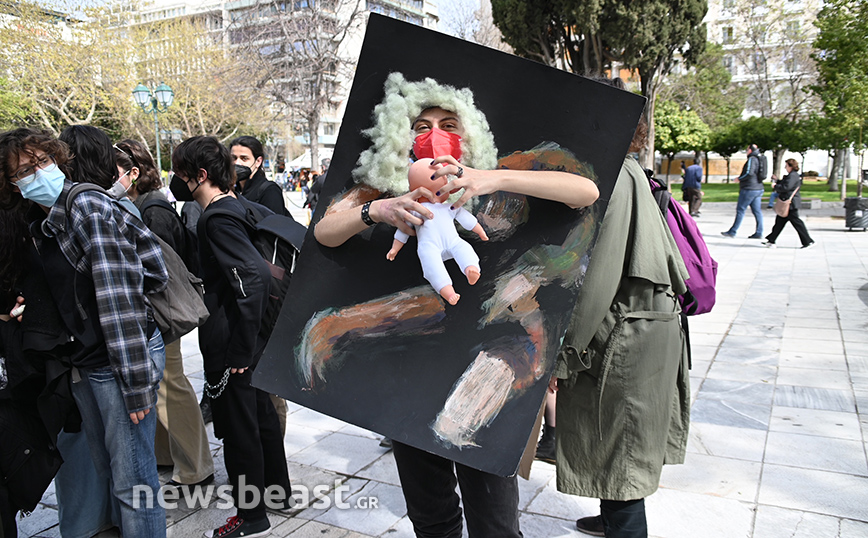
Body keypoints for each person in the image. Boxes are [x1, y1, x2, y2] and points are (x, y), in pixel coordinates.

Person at [314, 73, 599, 538]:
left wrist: (493, 178)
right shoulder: (388, 183)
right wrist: (378, 211)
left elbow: (585, 191)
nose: (434, 134)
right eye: (421, 125)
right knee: (431, 516)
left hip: (503, 336)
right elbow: (326, 230)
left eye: (448, 122)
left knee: (487, 507)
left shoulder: (500, 170)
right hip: (415, 352)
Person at [0, 127, 168, 537]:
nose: (37, 173)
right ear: (12, 184)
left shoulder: (85, 206)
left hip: (118, 361)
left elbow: (119, 299)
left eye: (42, 161)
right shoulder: (45, 221)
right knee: (112, 473)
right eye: (24, 170)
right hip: (89, 363)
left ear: (58, 158)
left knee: (134, 484)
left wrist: (135, 382)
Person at [554, 85, 690, 538]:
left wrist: (565, 354)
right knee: (617, 440)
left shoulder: (613, 178)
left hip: (628, 335)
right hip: (646, 327)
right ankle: (614, 515)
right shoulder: (632, 170)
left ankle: (624, 524)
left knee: (623, 448)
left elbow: (599, 279)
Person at [170, 136, 291, 538]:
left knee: (241, 431)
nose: (177, 180)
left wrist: (239, 349)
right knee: (260, 419)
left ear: (199, 175)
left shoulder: (216, 217)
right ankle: (277, 495)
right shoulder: (239, 205)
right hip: (252, 336)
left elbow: (251, 280)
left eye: (182, 173)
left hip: (235, 341)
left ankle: (252, 515)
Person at [115, 139, 216, 491]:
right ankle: (169, 457)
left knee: (171, 384)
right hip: (155, 313)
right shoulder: (141, 204)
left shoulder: (153, 209)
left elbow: (158, 270)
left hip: (161, 313)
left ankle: (195, 466)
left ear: (134, 172)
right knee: (163, 386)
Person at [762, 158, 814, 249]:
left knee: (796, 222)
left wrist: (776, 186)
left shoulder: (793, 176)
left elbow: (786, 187)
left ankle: (808, 241)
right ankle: (771, 240)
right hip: (788, 203)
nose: (785, 167)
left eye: (786, 166)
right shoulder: (792, 175)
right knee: (779, 222)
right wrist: (777, 181)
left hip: (790, 203)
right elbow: (786, 184)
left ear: (790, 166)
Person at [230, 135, 287, 216]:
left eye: (244, 158)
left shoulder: (269, 190)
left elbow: (275, 225)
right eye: (233, 158)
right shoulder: (232, 190)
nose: (237, 163)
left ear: (258, 161)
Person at [722, 144, 764, 238]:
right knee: (757, 211)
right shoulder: (759, 159)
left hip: (749, 188)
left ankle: (733, 231)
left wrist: (739, 178)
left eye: (747, 149)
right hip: (758, 188)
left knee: (741, 210)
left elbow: (749, 172)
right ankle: (759, 232)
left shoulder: (752, 159)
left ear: (750, 150)